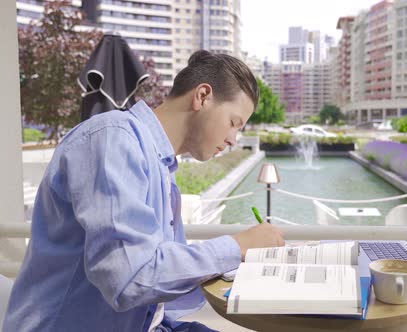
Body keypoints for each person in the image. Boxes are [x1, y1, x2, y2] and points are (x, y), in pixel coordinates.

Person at [3, 50, 285, 332]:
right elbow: (131, 279)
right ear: (202, 96)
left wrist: (239, 264)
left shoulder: (159, 165)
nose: (233, 139)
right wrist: (236, 246)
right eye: (234, 123)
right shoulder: (113, 141)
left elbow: (156, 292)